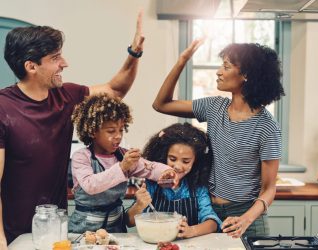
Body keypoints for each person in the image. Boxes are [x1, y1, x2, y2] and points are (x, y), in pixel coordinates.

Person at [0, 12, 145, 246]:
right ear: (31, 66)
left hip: (56, 227)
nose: (64, 63)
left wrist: (135, 52)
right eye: (55, 57)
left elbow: (115, 91)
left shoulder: (66, 95)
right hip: (13, 232)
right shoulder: (3, 107)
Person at [152, 40, 285, 238]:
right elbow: (161, 104)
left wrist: (246, 219)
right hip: (207, 213)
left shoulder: (266, 126)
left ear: (246, 75)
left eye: (226, 66)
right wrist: (181, 61)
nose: (218, 72)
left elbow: (269, 189)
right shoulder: (214, 107)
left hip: (245, 218)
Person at [68, 93, 177, 233]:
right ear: (93, 131)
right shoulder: (81, 157)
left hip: (116, 229)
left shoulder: (123, 155)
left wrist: (166, 172)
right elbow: (90, 185)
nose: (118, 136)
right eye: (111, 131)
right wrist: (121, 167)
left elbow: (150, 168)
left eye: (121, 130)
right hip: (83, 230)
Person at [127, 123, 222, 239]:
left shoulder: (197, 187)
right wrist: (139, 205)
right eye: (172, 159)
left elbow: (213, 223)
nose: (177, 166)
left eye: (186, 161)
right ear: (163, 156)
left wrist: (191, 231)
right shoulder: (151, 183)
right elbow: (129, 221)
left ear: (196, 162)